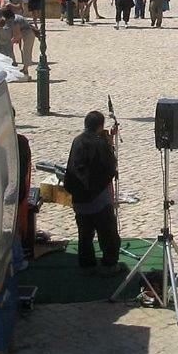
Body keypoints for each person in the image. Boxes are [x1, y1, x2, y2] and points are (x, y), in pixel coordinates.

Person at [63, 111, 122, 274]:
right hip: (97, 199)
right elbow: (110, 167)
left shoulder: (77, 141)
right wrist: (109, 146)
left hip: (79, 199)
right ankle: (109, 265)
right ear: (100, 126)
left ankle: (87, 265)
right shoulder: (99, 143)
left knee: (85, 235)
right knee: (108, 234)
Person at [0, 8, 37, 78]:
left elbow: (18, 34)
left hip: (28, 33)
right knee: (23, 50)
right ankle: (24, 68)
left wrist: (10, 42)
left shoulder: (15, 20)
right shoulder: (11, 19)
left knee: (26, 50)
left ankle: (25, 69)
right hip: (23, 32)